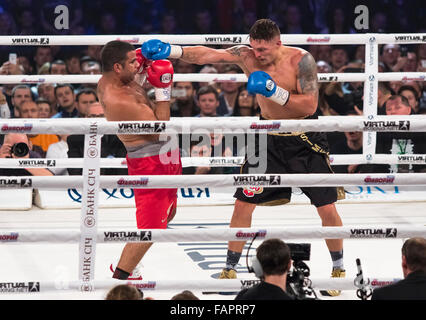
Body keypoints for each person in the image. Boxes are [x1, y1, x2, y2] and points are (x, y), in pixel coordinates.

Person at [142, 18, 345, 296]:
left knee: (326, 207)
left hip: (305, 137)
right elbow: (208, 54)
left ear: (278, 42)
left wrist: (274, 91)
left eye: (264, 49)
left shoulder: (302, 60)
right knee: (242, 203)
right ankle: (229, 267)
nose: (258, 54)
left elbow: (309, 104)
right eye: (254, 48)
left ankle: (339, 268)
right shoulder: (247, 55)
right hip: (267, 137)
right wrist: (172, 51)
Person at [97, 40, 182, 280]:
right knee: (152, 228)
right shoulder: (121, 102)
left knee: (170, 212)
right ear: (116, 67)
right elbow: (161, 129)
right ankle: (121, 277)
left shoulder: (109, 80)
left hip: (163, 155)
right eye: (132, 62)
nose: (137, 64)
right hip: (151, 160)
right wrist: (164, 89)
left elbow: (136, 83)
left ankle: (127, 266)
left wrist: (142, 67)